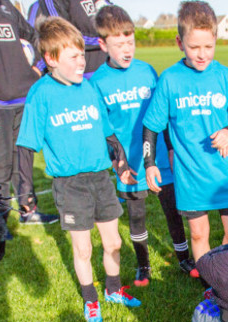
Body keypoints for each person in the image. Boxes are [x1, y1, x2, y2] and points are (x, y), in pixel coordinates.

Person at [17, 17, 141, 322]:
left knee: (113, 243)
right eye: (73, 57)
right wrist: (25, 190)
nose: (81, 62)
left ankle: (113, 289)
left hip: (101, 178)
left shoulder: (88, 88)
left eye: (82, 55)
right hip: (70, 185)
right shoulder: (40, 94)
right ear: (51, 59)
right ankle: (91, 299)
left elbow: (109, 134)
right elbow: (25, 146)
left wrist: (122, 165)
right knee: (83, 249)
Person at [142, 1, 228, 289]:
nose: (202, 55)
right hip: (190, 175)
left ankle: (223, 271)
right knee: (200, 236)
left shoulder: (225, 77)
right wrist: (150, 163)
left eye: (208, 47)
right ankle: (212, 286)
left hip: (224, 173)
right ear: (180, 43)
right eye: (194, 47)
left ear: (215, 40)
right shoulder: (170, 80)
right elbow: (152, 125)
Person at [90, 5, 197, 286]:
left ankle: (184, 258)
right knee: (137, 217)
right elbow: (104, 130)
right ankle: (143, 265)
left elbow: (164, 115)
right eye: (119, 44)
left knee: (173, 210)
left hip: (159, 157)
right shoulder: (97, 83)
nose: (127, 49)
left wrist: (171, 150)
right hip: (129, 163)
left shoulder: (147, 71)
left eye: (131, 42)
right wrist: (120, 162)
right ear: (102, 44)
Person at [0, 0, 58, 229]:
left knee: (23, 160)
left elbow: (35, 36)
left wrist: (38, 67)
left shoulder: (7, 7)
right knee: (1, 164)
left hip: (24, 97)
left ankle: (29, 211)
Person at [35, 0, 110, 78]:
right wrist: (104, 41)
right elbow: (62, 34)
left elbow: (114, 24)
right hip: (83, 73)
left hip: (109, 66)